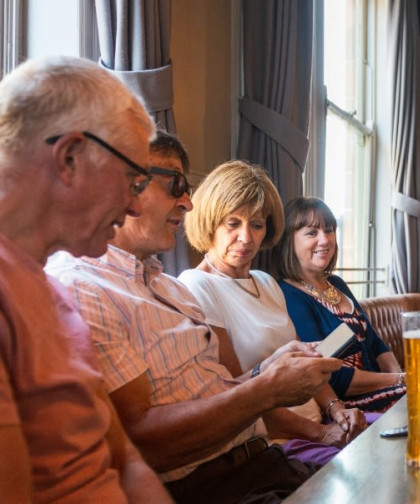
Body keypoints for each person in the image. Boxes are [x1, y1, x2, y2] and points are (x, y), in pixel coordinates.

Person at [47, 130, 343, 504]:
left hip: (264, 463)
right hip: (213, 487)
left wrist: (269, 370)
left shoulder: (168, 288)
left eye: (257, 224)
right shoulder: (81, 288)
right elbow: (142, 441)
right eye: (175, 184)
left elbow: (221, 387)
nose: (187, 203)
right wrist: (267, 389)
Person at [0, 56, 174, 503]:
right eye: (134, 181)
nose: (136, 207)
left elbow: (127, 462)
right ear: (70, 157)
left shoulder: (51, 292)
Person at [179, 160, 367, 467]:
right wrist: (321, 434)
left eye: (256, 224)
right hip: (274, 443)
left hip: (317, 426)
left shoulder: (266, 282)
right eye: (232, 223)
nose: (246, 237)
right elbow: (237, 395)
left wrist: (337, 410)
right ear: (210, 221)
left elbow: (306, 365)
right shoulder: (196, 285)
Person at [272, 196, 407, 413]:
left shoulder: (337, 283)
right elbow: (329, 375)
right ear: (290, 240)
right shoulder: (289, 294)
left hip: (386, 389)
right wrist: (398, 380)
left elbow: (375, 342)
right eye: (312, 232)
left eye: (329, 230)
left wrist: (402, 378)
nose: (325, 240)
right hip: (350, 405)